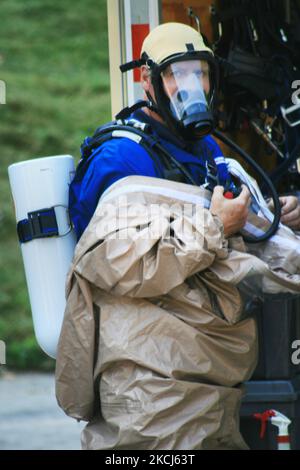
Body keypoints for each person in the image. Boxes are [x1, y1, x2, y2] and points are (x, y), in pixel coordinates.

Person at [55, 22, 300, 450]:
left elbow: (219, 218)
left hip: (211, 377)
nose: (192, 86)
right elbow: (115, 262)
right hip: (149, 378)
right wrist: (216, 226)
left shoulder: (207, 148)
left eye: (199, 73)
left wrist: (270, 213)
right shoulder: (120, 156)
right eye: (176, 74)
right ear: (147, 80)